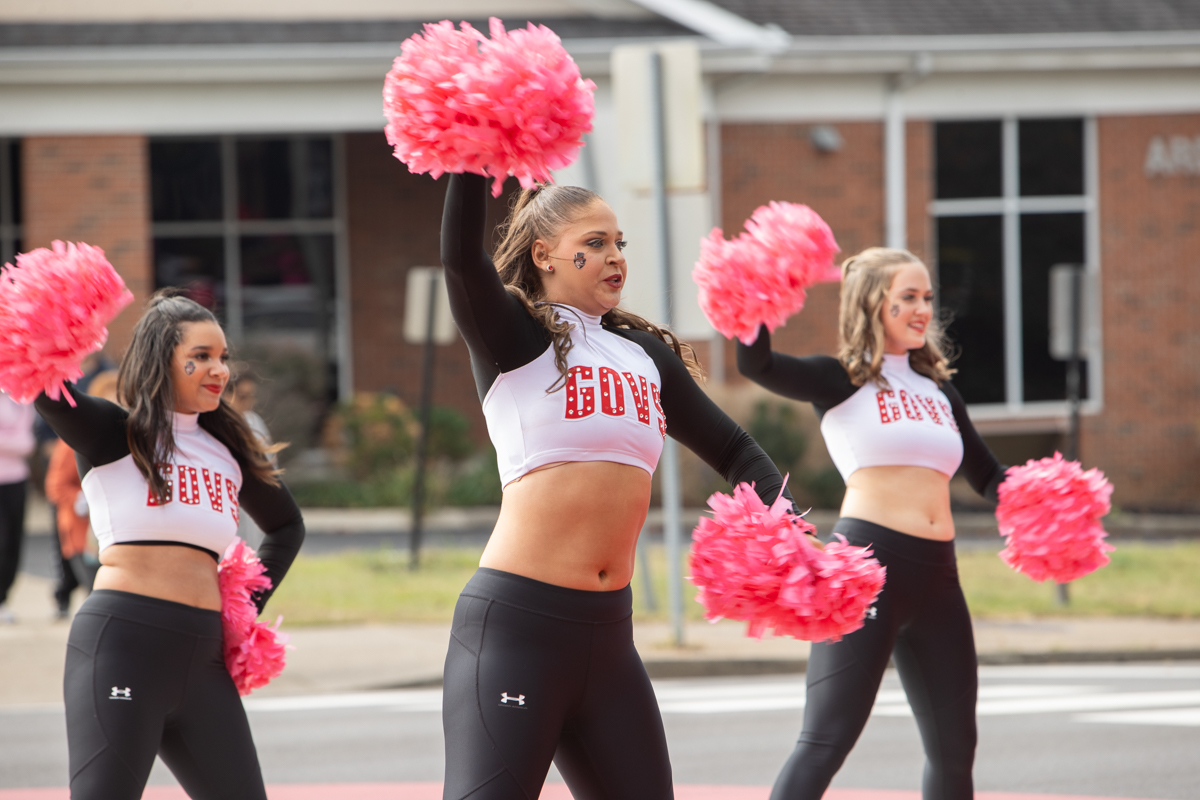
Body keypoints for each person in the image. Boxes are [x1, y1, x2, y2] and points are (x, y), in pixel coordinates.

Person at [439, 171, 796, 800]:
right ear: (543, 254)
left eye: (620, 244)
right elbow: (463, 261)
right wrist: (469, 153)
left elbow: (737, 451)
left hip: (609, 640)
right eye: (596, 242)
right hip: (519, 628)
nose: (615, 257)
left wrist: (786, 533)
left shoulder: (643, 356)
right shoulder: (515, 337)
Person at [736, 247, 1005, 800]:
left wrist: (1047, 500)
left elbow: (987, 476)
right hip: (866, 570)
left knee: (956, 750)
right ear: (873, 304)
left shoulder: (940, 390)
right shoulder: (841, 379)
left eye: (927, 297)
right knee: (826, 740)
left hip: (939, 577)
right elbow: (756, 366)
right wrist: (756, 297)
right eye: (908, 297)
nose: (923, 309)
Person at [34, 290, 305, 800]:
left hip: (203, 659)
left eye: (223, 357)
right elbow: (45, 389)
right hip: (124, 644)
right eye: (201, 356)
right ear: (162, 359)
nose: (219, 370)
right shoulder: (113, 432)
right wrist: (62, 319)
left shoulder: (228, 450)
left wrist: (242, 611)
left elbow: (287, 526)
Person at [44, 370, 119, 614]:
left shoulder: (131, 437)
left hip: (116, 532)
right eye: (109, 398)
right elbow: (55, 486)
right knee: (98, 597)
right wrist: (83, 497)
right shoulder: (74, 437)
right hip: (83, 532)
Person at [0, 390, 36, 624]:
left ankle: (3, 596)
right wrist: (17, 441)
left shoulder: (21, 399)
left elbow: (28, 443)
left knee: (13, 540)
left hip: (17, 478)